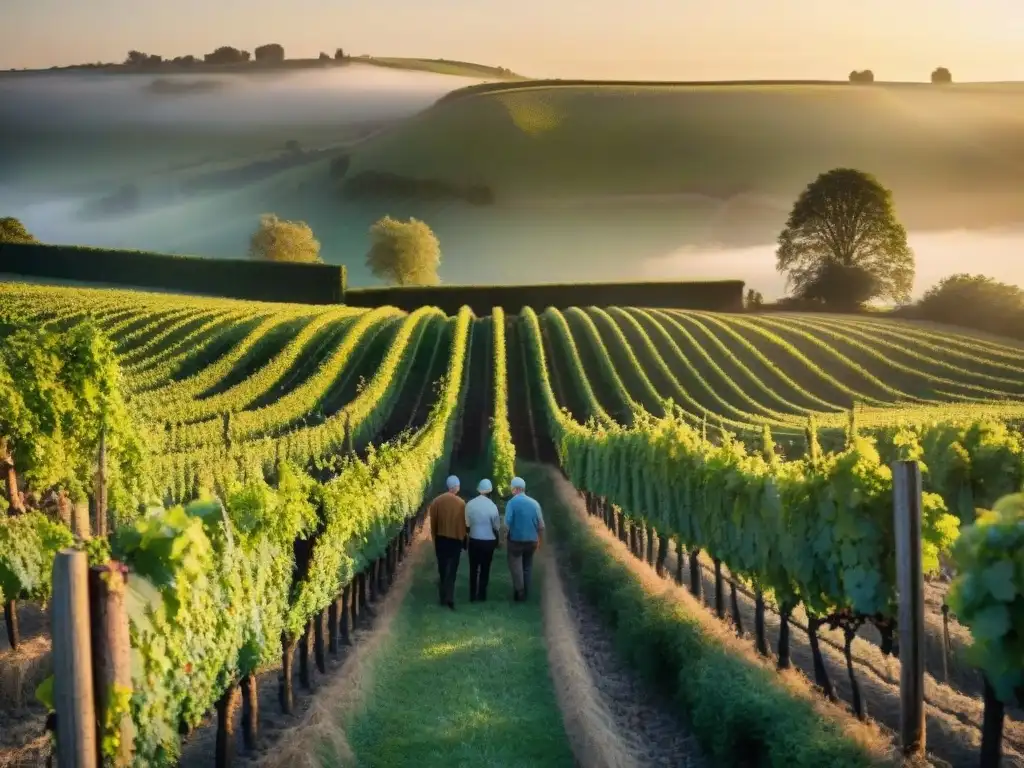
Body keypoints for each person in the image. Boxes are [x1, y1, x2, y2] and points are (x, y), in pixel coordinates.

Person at [428, 475, 467, 610]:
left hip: (441, 539)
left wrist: (434, 537)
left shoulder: (436, 502)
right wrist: (463, 538)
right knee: (453, 569)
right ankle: (449, 596)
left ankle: (443, 595)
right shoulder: (461, 503)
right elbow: (463, 523)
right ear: (456, 487)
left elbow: (433, 522)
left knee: (443, 568)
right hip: (455, 540)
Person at [504, 476, 544, 602]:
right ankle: (526, 592)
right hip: (531, 541)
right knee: (527, 566)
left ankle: (519, 592)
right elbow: (541, 525)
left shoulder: (512, 503)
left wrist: (503, 538)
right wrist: (539, 541)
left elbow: (507, 523)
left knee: (516, 566)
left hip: (515, 541)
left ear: (515, 489)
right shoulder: (535, 504)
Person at [465, 478, 500, 602]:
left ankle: (472, 595)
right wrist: (497, 541)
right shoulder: (493, 506)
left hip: (474, 540)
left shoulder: (470, 504)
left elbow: (467, 525)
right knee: (485, 568)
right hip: (488, 542)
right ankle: (482, 595)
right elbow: (496, 527)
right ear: (490, 492)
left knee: (473, 568)